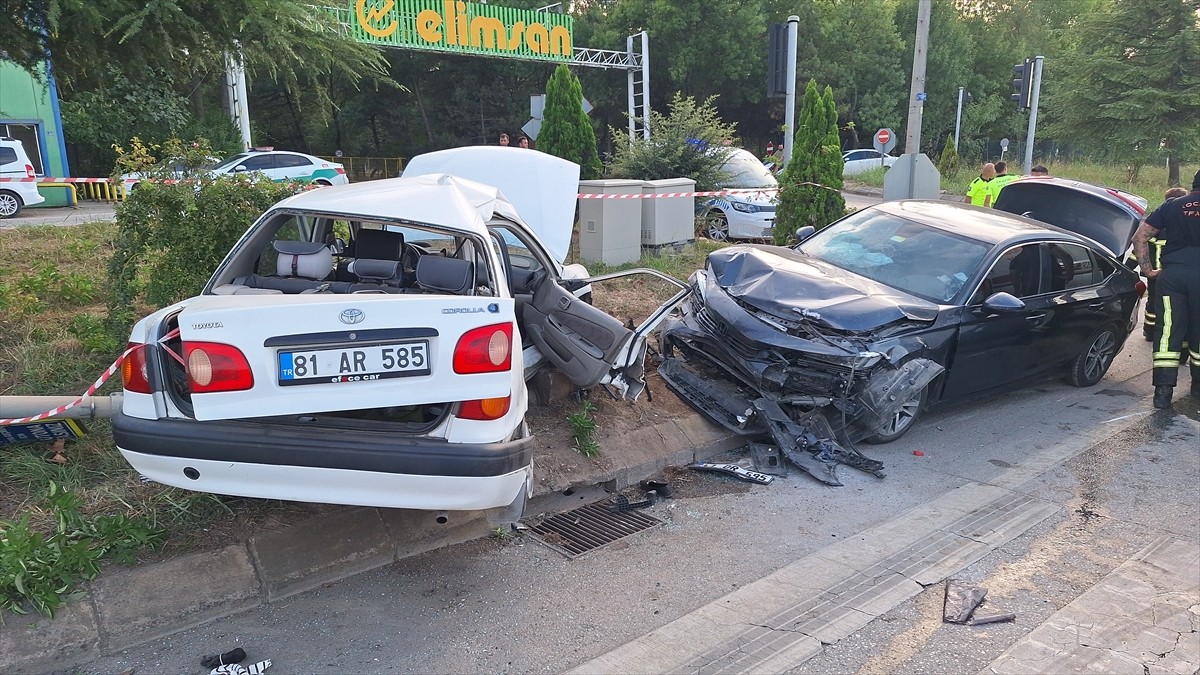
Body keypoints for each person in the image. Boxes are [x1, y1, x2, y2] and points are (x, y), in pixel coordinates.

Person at [1131, 170, 1200, 409]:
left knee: (1168, 330)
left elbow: (1140, 237)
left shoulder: (1172, 206)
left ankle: (1162, 393)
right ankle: (1197, 388)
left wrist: (1149, 271)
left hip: (1172, 277)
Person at [1138, 187, 1189, 340]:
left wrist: (1129, 267)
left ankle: (1150, 331)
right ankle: (1165, 332)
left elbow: (1139, 246)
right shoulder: (1181, 224)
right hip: (1170, 271)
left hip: (1155, 271)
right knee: (1173, 304)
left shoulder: (1157, 221)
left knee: (1153, 302)